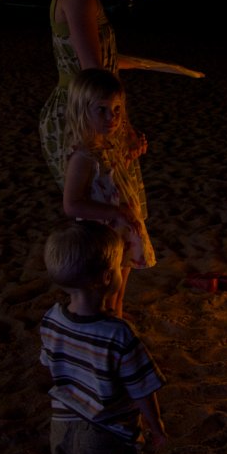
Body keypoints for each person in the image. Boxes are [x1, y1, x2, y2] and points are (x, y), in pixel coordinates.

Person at [39, 0, 203, 190]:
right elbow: (97, 74)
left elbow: (95, 58)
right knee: (110, 213)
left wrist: (150, 65)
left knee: (111, 212)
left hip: (84, 108)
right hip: (85, 114)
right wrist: (125, 128)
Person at [40, 221, 168, 454]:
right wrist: (155, 428)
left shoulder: (51, 319)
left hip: (62, 424)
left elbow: (51, 366)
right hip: (107, 433)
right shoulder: (119, 333)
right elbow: (143, 389)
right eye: (116, 265)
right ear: (105, 279)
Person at [63, 68, 154, 318]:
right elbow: (72, 205)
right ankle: (106, 335)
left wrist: (130, 156)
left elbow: (110, 181)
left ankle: (118, 327)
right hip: (102, 237)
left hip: (122, 231)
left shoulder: (108, 144)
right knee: (104, 296)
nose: (111, 118)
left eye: (116, 110)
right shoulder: (83, 157)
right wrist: (116, 212)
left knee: (119, 293)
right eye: (101, 110)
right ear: (82, 111)